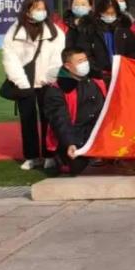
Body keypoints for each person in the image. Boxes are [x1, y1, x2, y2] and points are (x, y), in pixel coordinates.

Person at [2, 0, 65, 172]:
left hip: (47, 82)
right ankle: (31, 156)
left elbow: (59, 56)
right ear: (27, 11)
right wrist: (21, 81)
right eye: (36, 8)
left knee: (48, 118)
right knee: (27, 120)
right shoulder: (15, 31)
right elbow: (9, 58)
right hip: (24, 83)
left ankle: (49, 155)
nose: (40, 12)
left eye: (43, 8)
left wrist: (51, 77)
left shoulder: (55, 31)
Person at [42, 47, 107, 176]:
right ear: (67, 66)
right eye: (80, 61)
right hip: (76, 136)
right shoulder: (56, 90)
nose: (85, 64)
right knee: (78, 169)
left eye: (85, 60)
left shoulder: (97, 81)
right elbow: (60, 121)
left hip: (99, 133)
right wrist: (69, 143)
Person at [89, 0, 135, 78]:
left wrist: (128, 67)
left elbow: (132, 51)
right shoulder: (92, 30)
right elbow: (87, 53)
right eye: (106, 13)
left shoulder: (123, 29)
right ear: (100, 13)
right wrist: (97, 71)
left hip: (122, 73)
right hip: (100, 75)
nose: (109, 16)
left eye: (112, 13)